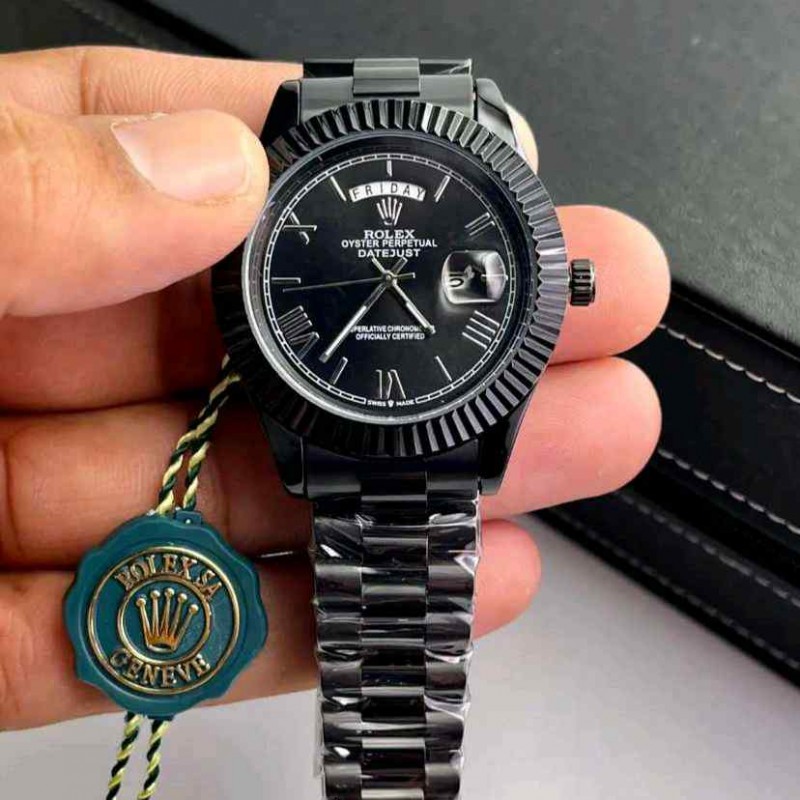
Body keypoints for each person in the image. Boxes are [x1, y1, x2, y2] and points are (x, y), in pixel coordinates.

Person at [0, 46, 669, 731]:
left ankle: (383, 744)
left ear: (557, 283)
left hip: (359, 407)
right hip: (340, 416)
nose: (391, 278)